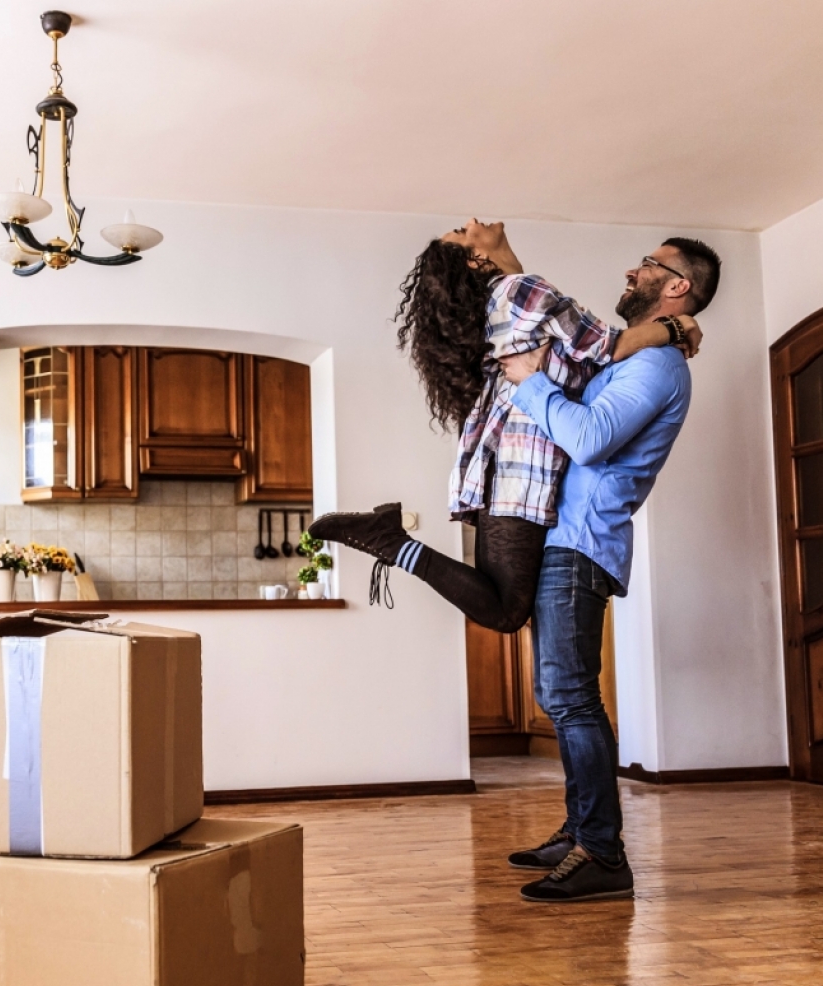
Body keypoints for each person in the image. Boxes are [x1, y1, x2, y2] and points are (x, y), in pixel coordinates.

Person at [309, 220, 701, 630]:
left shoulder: (510, 299)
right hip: (523, 464)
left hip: (504, 461)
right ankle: (390, 540)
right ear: (477, 258)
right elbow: (610, 346)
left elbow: (599, 349)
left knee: (506, 605)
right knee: (507, 611)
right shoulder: (522, 290)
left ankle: (390, 539)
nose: (474, 221)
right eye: (462, 231)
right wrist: (679, 325)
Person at [503, 236, 722, 902]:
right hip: (564, 539)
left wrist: (529, 384)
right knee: (560, 694)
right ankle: (578, 832)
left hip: (581, 544)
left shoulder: (658, 367)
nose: (634, 269)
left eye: (650, 264)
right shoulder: (641, 351)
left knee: (570, 696)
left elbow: (590, 439)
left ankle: (602, 853)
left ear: (678, 285)